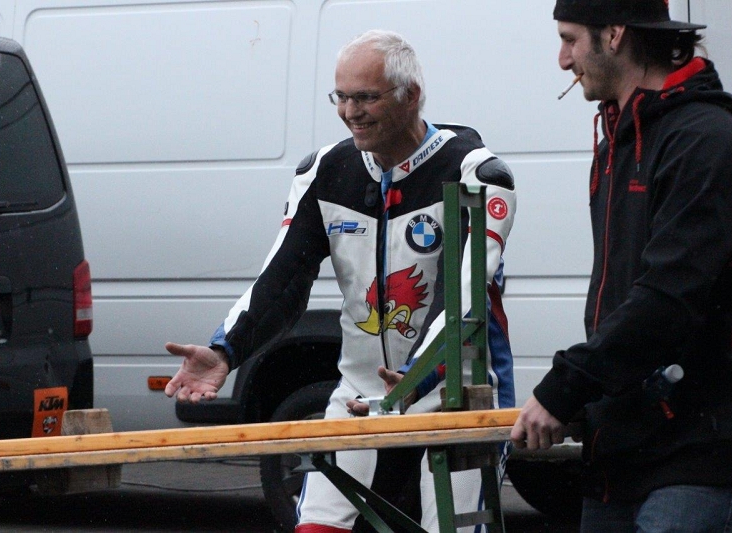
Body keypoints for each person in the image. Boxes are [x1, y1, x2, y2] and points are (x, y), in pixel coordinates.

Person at [164, 29, 517, 532]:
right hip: (360, 392)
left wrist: (414, 380)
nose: (351, 112)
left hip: (456, 393)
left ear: (411, 95)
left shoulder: (475, 173)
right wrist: (226, 350)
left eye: (366, 97)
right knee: (316, 527)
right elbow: (282, 277)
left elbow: (461, 300)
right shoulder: (325, 171)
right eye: (342, 97)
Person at [510, 0, 732, 531]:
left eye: (570, 39)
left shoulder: (705, 138)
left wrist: (565, 387)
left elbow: (669, 297)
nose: (563, 59)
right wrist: (590, 400)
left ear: (615, 34)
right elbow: (619, 292)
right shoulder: (617, 138)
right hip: (620, 441)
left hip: (699, 443)